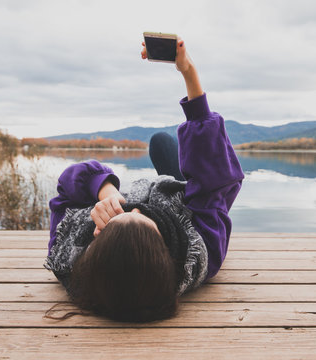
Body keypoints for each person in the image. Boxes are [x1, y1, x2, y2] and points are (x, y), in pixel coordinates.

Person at [44, 37, 244, 322]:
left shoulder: (69, 255)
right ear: (166, 249)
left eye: (120, 215)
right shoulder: (201, 248)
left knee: (159, 141)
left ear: (96, 238)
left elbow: (67, 185)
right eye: (142, 216)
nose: (133, 207)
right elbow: (216, 179)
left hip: (137, 225)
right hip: (186, 204)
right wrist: (189, 72)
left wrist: (106, 191)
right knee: (166, 146)